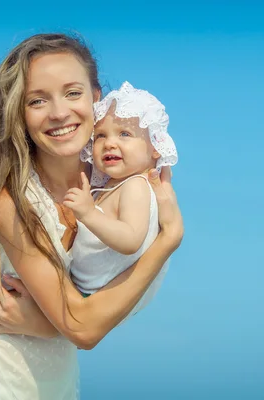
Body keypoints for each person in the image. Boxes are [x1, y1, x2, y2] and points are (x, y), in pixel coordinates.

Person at [0, 33, 183, 400]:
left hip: (52, 379)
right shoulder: (9, 200)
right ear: (19, 113)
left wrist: (46, 326)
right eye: (38, 100)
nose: (59, 112)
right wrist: (169, 240)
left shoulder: (111, 188)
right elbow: (84, 327)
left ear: (96, 98)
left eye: (72, 93)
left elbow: (98, 305)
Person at [65, 81, 177, 319]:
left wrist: (89, 214)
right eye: (101, 136)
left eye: (125, 134)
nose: (110, 143)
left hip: (93, 296)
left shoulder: (135, 186)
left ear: (155, 147)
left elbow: (130, 240)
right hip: (88, 293)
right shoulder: (111, 185)